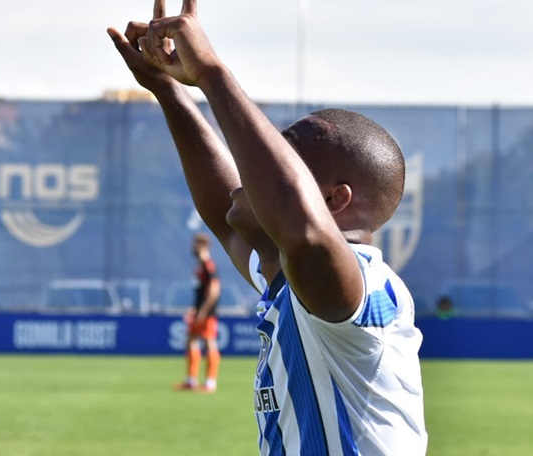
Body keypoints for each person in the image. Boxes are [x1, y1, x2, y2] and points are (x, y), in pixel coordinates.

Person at [107, 1, 428, 453]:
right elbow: (228, 216)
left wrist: (213, 73)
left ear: (334, 200)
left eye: (281, 158)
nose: (250, 170)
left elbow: (303, 228)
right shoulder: (293, 283)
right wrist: (168, 89)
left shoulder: (363, 286)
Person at [175, 233, 222, 392]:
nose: (192, 247)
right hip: (199, 311)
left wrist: (203, 311)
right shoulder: (200, 266)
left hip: (207, 313)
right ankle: (191, 380)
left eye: (195, 244)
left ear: (202, 246)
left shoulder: (209, 266)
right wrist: (194, 308)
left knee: (209, 342)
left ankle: (210, 382)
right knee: (191, 340)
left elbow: (214, 291)